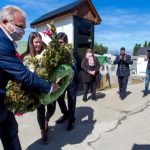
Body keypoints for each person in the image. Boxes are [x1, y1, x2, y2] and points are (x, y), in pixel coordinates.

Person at [0, 5, 59, 149]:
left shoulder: (8, 41)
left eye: (24, 27)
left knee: (11, 132)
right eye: (20, 26)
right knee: (9, 132)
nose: (23, 31)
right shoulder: (2, 43)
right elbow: (23, 74)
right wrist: (48, 87)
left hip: (4, 100)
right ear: (4, 22)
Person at [23, 32, 56, 144]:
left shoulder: (46, 54)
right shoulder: (27, 58)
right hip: (36, 89)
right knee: (40, 110)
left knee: (52, 108)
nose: (39, 44)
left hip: (49, 87)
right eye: (36, 42)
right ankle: (43, 132)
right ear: (31, 43)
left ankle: (47, 120)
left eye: (40, 42)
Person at [56, 32, 79, 131]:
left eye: (61, 42)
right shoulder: (55, 52)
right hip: (60, 80)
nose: (59, 44)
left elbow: (74, 66)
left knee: (71, 99)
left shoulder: (71, 51)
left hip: (71, 80)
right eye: (58, 42)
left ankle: (71, 120)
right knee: (59, 97)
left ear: (65, 42)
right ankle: (66, 114)